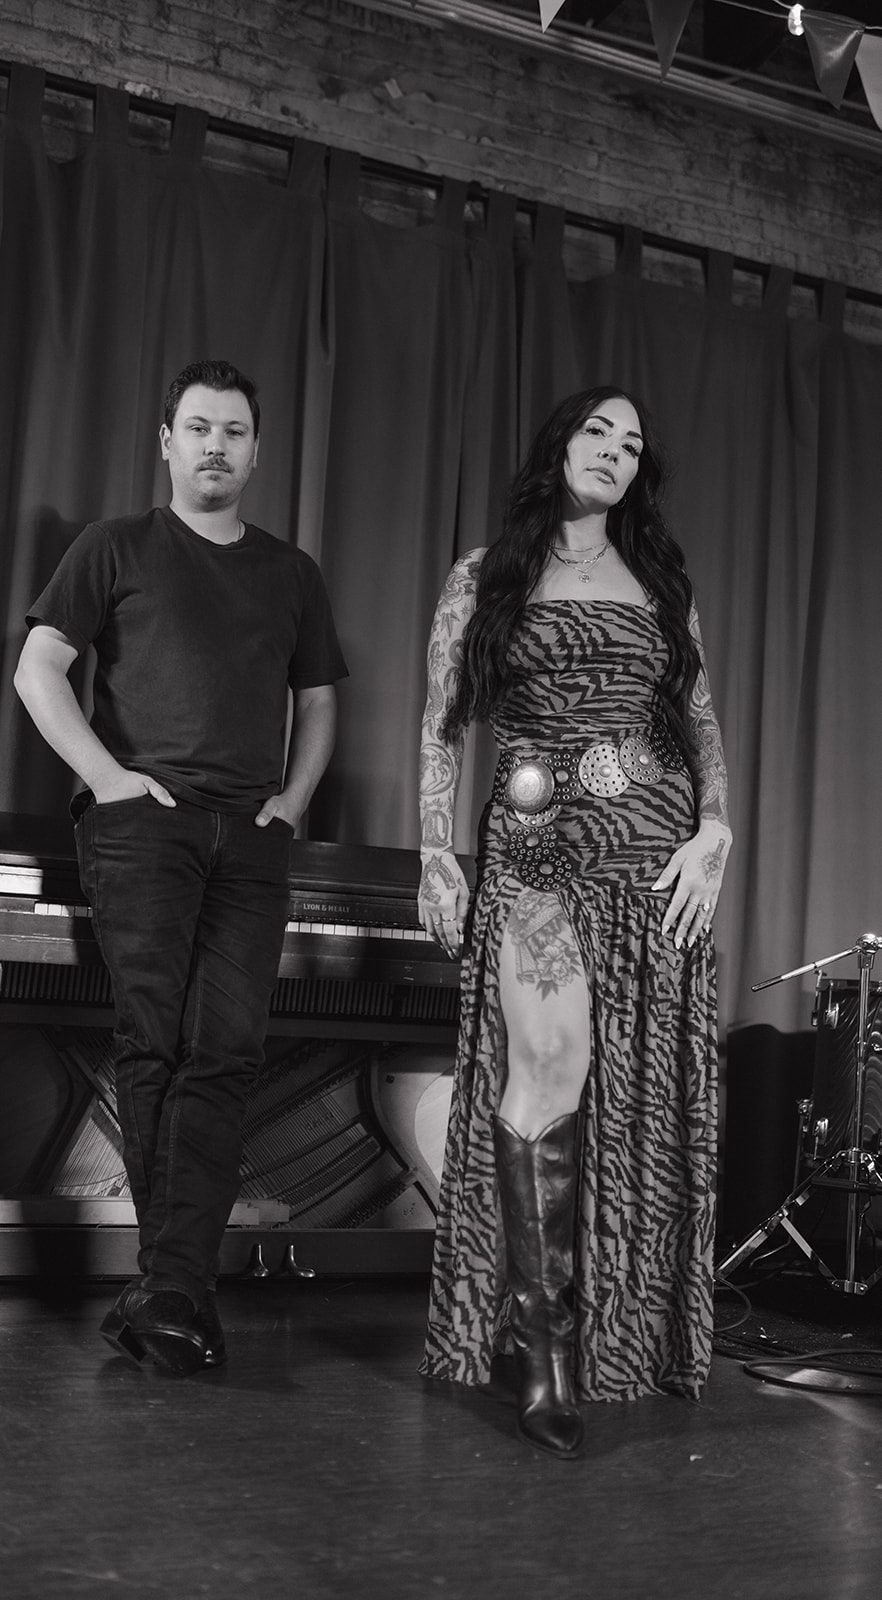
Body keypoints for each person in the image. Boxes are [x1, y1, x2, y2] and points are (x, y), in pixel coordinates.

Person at [14, 359, 347, 1376]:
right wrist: (108, 778)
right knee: (153, 1042)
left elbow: (319, 700)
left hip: (249, 838)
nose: (216, 445)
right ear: (167, 442)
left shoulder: (291, 573)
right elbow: (39, 668)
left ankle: (167, 1291)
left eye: (234, 431)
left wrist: (292, 801)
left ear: (256, 449)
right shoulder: (114, 545)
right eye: (198, 427)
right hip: (143, 829)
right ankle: (178, 1289)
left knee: (227, 1050)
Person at [416, 386, 730, 1458]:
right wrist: (435, 849)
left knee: (630, 1087)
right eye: (598, 431)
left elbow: (699, 723)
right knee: (546, 1060)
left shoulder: (660, 583)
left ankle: (618, 1333)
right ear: (559, 445)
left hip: (650, 865)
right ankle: (544, 1353)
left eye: (633, 444)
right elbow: (443, 723)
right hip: (538, 855)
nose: (615, 452)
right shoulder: (485, 575)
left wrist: (716, 829)